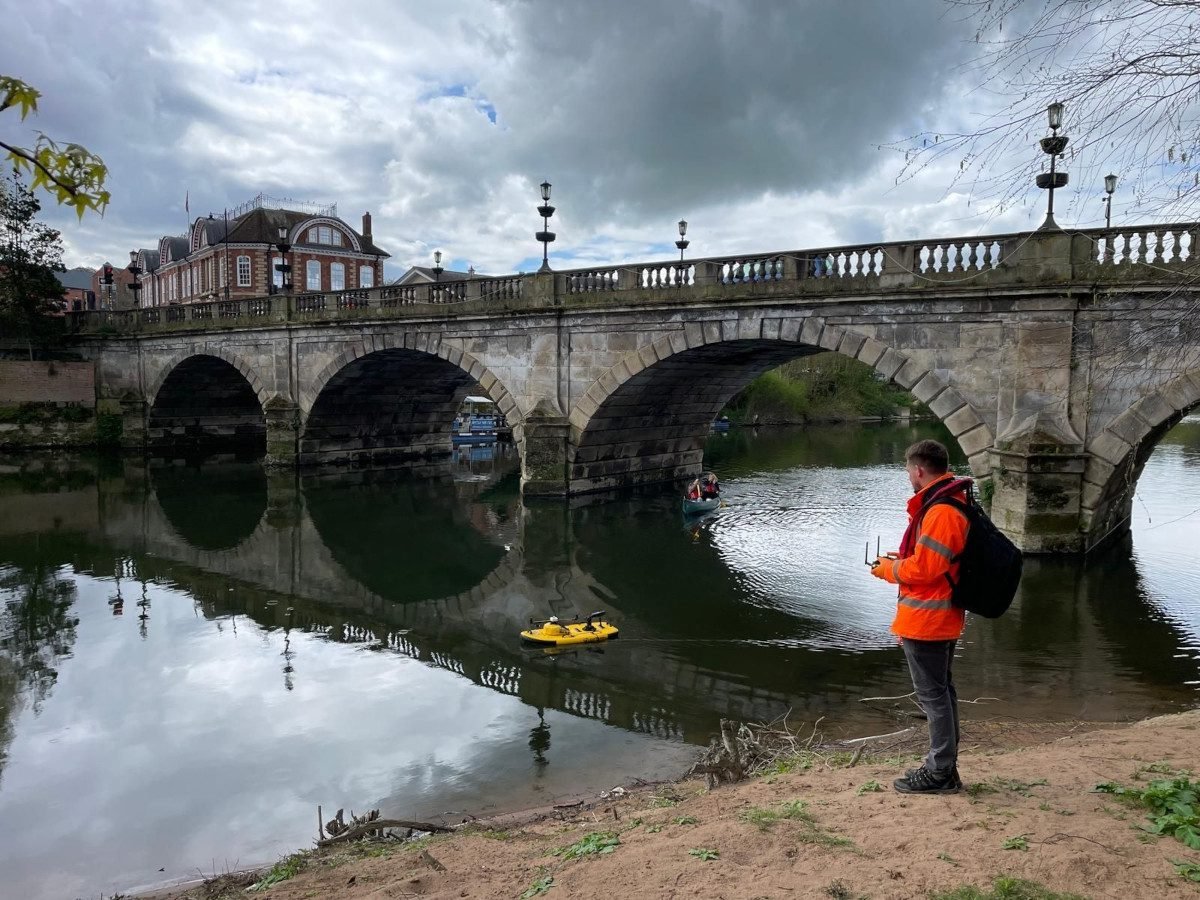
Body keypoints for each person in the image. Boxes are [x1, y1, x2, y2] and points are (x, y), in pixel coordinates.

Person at [869, 439, 971, 794]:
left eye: (907, 472)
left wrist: (889, 570)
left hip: (928, 621)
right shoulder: (948, 502)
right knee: (942, 693)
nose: (908, 477)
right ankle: (946, 768)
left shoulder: (941, 511)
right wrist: (902, 556)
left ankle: (940, 771)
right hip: (938, 616)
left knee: (934, 697)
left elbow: (926, 569)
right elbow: (937, 559)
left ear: (918, 470)